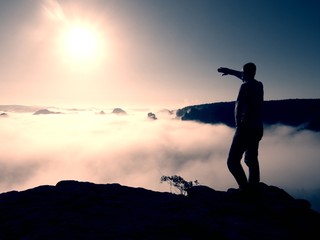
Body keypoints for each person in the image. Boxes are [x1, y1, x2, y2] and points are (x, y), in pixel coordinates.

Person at [217, 63, 264, 192]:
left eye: (242, 72)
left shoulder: (245, 87)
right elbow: (244, 76)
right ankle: (254, 187)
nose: (241, 74)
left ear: (246, 73)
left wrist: (238, 125)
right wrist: (230, 71)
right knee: (251, 159)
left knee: (232, 161)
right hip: (258, 128)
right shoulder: (259, 85)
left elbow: (239, 106)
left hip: (245, 128)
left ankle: (244, 188)